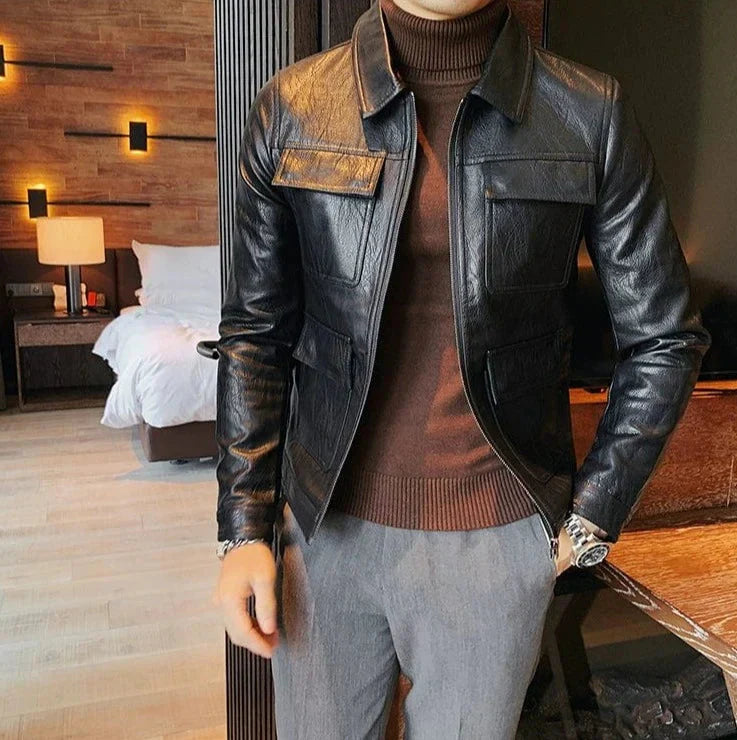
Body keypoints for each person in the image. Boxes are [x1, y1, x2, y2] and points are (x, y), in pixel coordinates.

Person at [212, 0, 711, 737]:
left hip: (494, 538)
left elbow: (664, 337)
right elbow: (255, 334)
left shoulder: (588, 111)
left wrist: (591, 518)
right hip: (324, 531)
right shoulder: (292, 106)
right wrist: (244, 528)